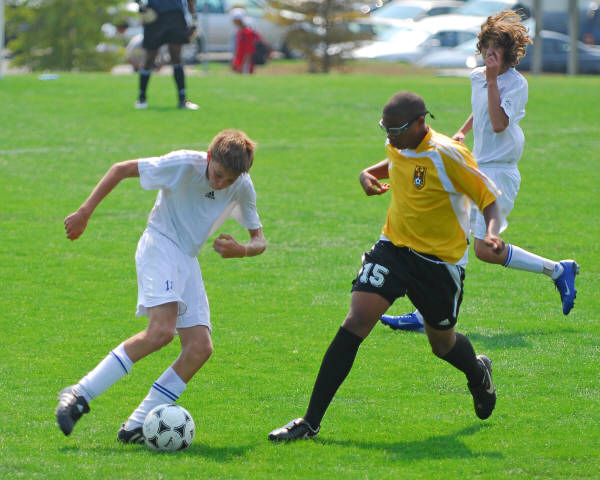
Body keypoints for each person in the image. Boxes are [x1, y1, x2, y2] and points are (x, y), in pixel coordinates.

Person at [268, 91, 504, 441]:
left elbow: (489, 198)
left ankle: (477, 371)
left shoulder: (448, 155)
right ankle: (309, 422)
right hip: (393, 248)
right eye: (385, 129)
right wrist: (366, 173)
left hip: (439, 263)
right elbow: (395, 159)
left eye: (396, 130)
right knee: (355, 321)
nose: (390, 137)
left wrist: (493, 233)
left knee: (442, 344)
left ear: (421, 123)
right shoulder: (398, 142)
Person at [56, 130, 266, 443]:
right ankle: (79, 394)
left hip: (187, 258)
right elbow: (120, 169)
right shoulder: (184, 164)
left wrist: (244, 250)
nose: (221, 184)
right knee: (161, 332)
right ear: (209, 158)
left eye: (230, 179)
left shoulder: (242, 185)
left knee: (199, 348)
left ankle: (136, 425)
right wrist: (85, 212)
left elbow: (260, 239)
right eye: (218, 174)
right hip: (160, 244)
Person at [381, 10, 579, 333]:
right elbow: (481, 110)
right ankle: (425, 314)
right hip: (476, 167)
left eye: (496, 49)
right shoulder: (478, 77)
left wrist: (492, 79)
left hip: (500, 172)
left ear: (508, 53)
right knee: (450, 235)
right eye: (486, 47)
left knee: (485, 250)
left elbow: (499, 123)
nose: (489, 54)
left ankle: (558, 270)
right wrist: (463, 131)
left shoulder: (516, 84)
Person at [135, 0, 199, 110]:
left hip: (175, 16)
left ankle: (182, 100)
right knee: (149, 59)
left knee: (176, 57)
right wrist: (142, 6)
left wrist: (194, 20)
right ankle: (141, 99)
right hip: (154, 16)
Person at [230, 8, 263, 74]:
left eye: (234, 20)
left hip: (245, 63)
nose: (233, 22)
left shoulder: (247, 32)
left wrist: (242, 65)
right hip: (239, 61)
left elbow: (249, 50)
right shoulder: (239, 32)